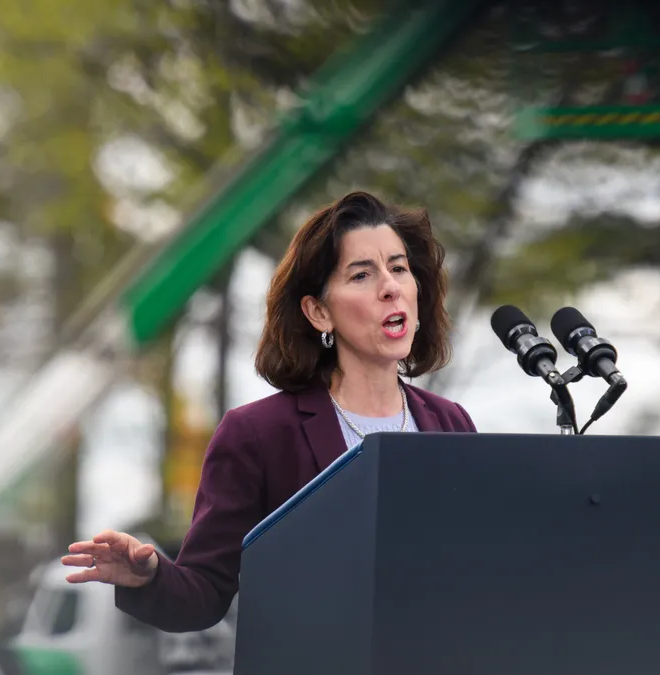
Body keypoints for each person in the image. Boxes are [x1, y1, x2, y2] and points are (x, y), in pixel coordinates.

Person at [61, 191, 477, 633]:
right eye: (362, 275)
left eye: (398, 268)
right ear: (318, 312)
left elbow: (479, 571)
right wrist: (148, 577)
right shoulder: (258, 435)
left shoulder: (451, 424)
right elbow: (203, 592)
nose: (390, 286)